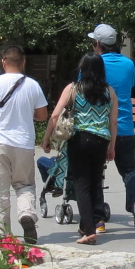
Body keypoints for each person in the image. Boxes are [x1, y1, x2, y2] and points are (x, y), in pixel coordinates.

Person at [0, 44, 49, 245]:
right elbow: (42, 115)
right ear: (23, 62)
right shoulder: (33, 85)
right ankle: (26, 214)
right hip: (24, 143)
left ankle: (2, 236)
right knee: (24, 185)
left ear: (3, 62)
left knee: (0, 191)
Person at [44, 54, 116, 245]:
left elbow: (55, 115)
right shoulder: (109, 92)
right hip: (101, 141)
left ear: (82, 69)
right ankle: (85, 226)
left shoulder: (73, 89)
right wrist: (112, 146)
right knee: (94, 184)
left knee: (81, 184)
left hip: (79, 139)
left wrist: (46, 138)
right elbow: (113, 122)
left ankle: (89, 231)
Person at [87, 23, 135, 236]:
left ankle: (98, 220)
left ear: (97, 44)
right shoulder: (129, 64)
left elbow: (82, 91)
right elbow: (128, 87)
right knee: (129, 170)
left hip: (97, 128)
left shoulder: (94, 64)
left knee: (94, 173)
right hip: (124, 127)